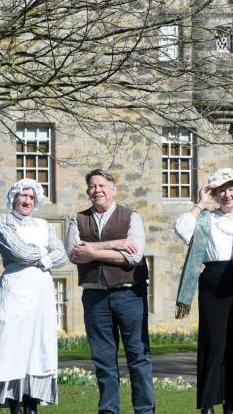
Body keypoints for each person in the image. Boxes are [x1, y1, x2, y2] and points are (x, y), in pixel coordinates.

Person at [173, 168, 233, 414]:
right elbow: (181, 228)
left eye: (231, 188)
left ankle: (230, 402)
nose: (227, 194)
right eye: (221, 189)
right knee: (213, 344)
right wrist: (199, 203)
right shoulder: (206, 218)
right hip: (213, 281)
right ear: (214, 193)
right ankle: (208, 403)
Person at [65, 169, 154, 414]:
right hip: (95, 297)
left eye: (102, 185)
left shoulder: (131, 217)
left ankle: (145, 411)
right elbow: (73, 254)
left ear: (113, 190)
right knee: (103, 361)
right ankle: (108, 411)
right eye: (92, 186)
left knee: (138, 357)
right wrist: (113, 245)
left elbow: (133, 257)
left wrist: (91, 251)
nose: (97, 190)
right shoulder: (77, 219)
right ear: (87, 192)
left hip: (129, 295)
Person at [0, 179, 67, 414]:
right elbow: (18, 251)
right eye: (23, 195)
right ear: (14, 198)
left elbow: (62, 254)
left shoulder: (44, 225)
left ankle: (32, 405)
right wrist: (43, 254)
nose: (27, 200)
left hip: (41, 292)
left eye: (31, 197)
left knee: (36, 347)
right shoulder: (3, 221)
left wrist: (45, 259)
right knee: (11, 346)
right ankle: (14, 406)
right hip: (15, 291)